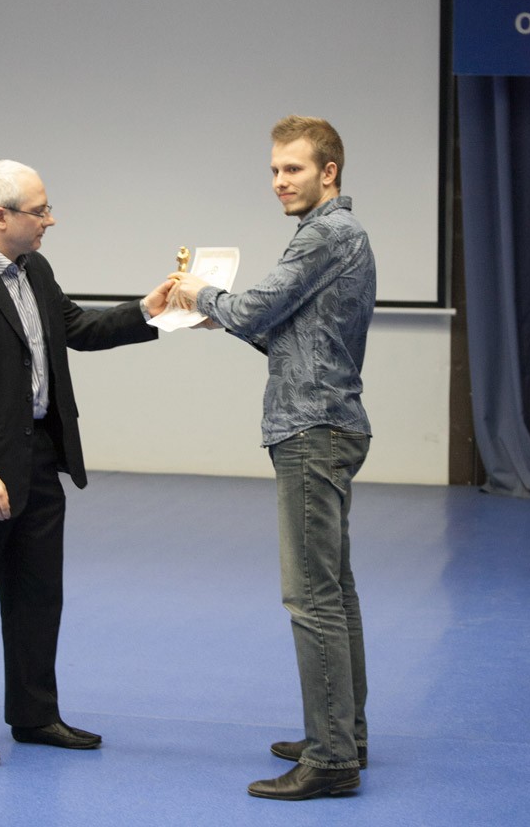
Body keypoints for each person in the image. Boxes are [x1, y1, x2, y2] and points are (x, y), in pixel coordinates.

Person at [0, 159, 171, 768]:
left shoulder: (35, 270)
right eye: (40, 210)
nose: (50, 219)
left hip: (38, 462)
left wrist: (148, 309)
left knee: (37, 598)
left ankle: (34, 715)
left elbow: (76, 326)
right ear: (1, 217)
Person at [170, 115, 376, 801]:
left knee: (310, 596)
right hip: (325, 423)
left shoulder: (325, 234)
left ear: (328, 172)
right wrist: (221, 316)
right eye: (274, 170)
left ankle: (331, 758)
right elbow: (288, 335)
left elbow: (258, 305)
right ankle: (344, 734)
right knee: (334, 590)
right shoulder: (334, 234)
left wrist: (199, 293)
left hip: (312, 430)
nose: (279, 181)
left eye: (292, 169)